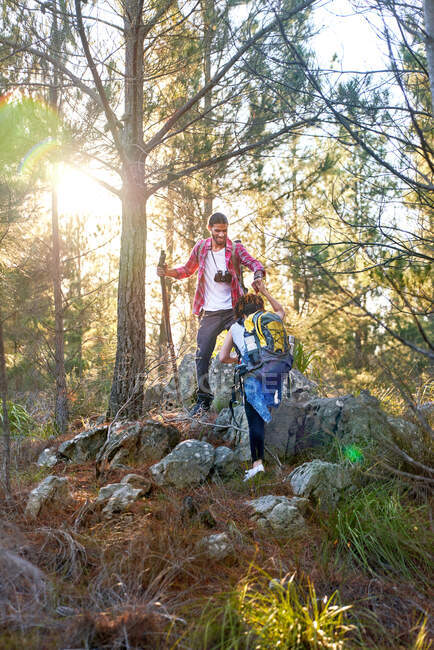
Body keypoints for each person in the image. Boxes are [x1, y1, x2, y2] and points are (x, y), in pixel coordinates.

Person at [157, 212, 265, 415]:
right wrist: (167, 272)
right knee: (202, 355)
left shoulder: (235, 249)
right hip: (210, 313)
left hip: (234, 310)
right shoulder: (201, 248)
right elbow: (187, 270)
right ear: (210, 229)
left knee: (246, 348)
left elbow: (254, 263)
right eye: (218, 231)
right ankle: (204, 400)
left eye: (225, 231)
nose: (222, 235)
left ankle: (248, 395)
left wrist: (257, 275)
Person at [219, 280, 290, 481]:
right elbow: (281, 310)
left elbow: (223, 357)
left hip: (252, 376)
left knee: (254, 419)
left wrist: (238, 359)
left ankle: (257, 464)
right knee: (267, 411)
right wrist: (265, 291)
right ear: (259, 308)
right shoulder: (270, 319)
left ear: (241, 313)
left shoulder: (236, 327)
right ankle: (276, 459)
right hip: (274, 371)